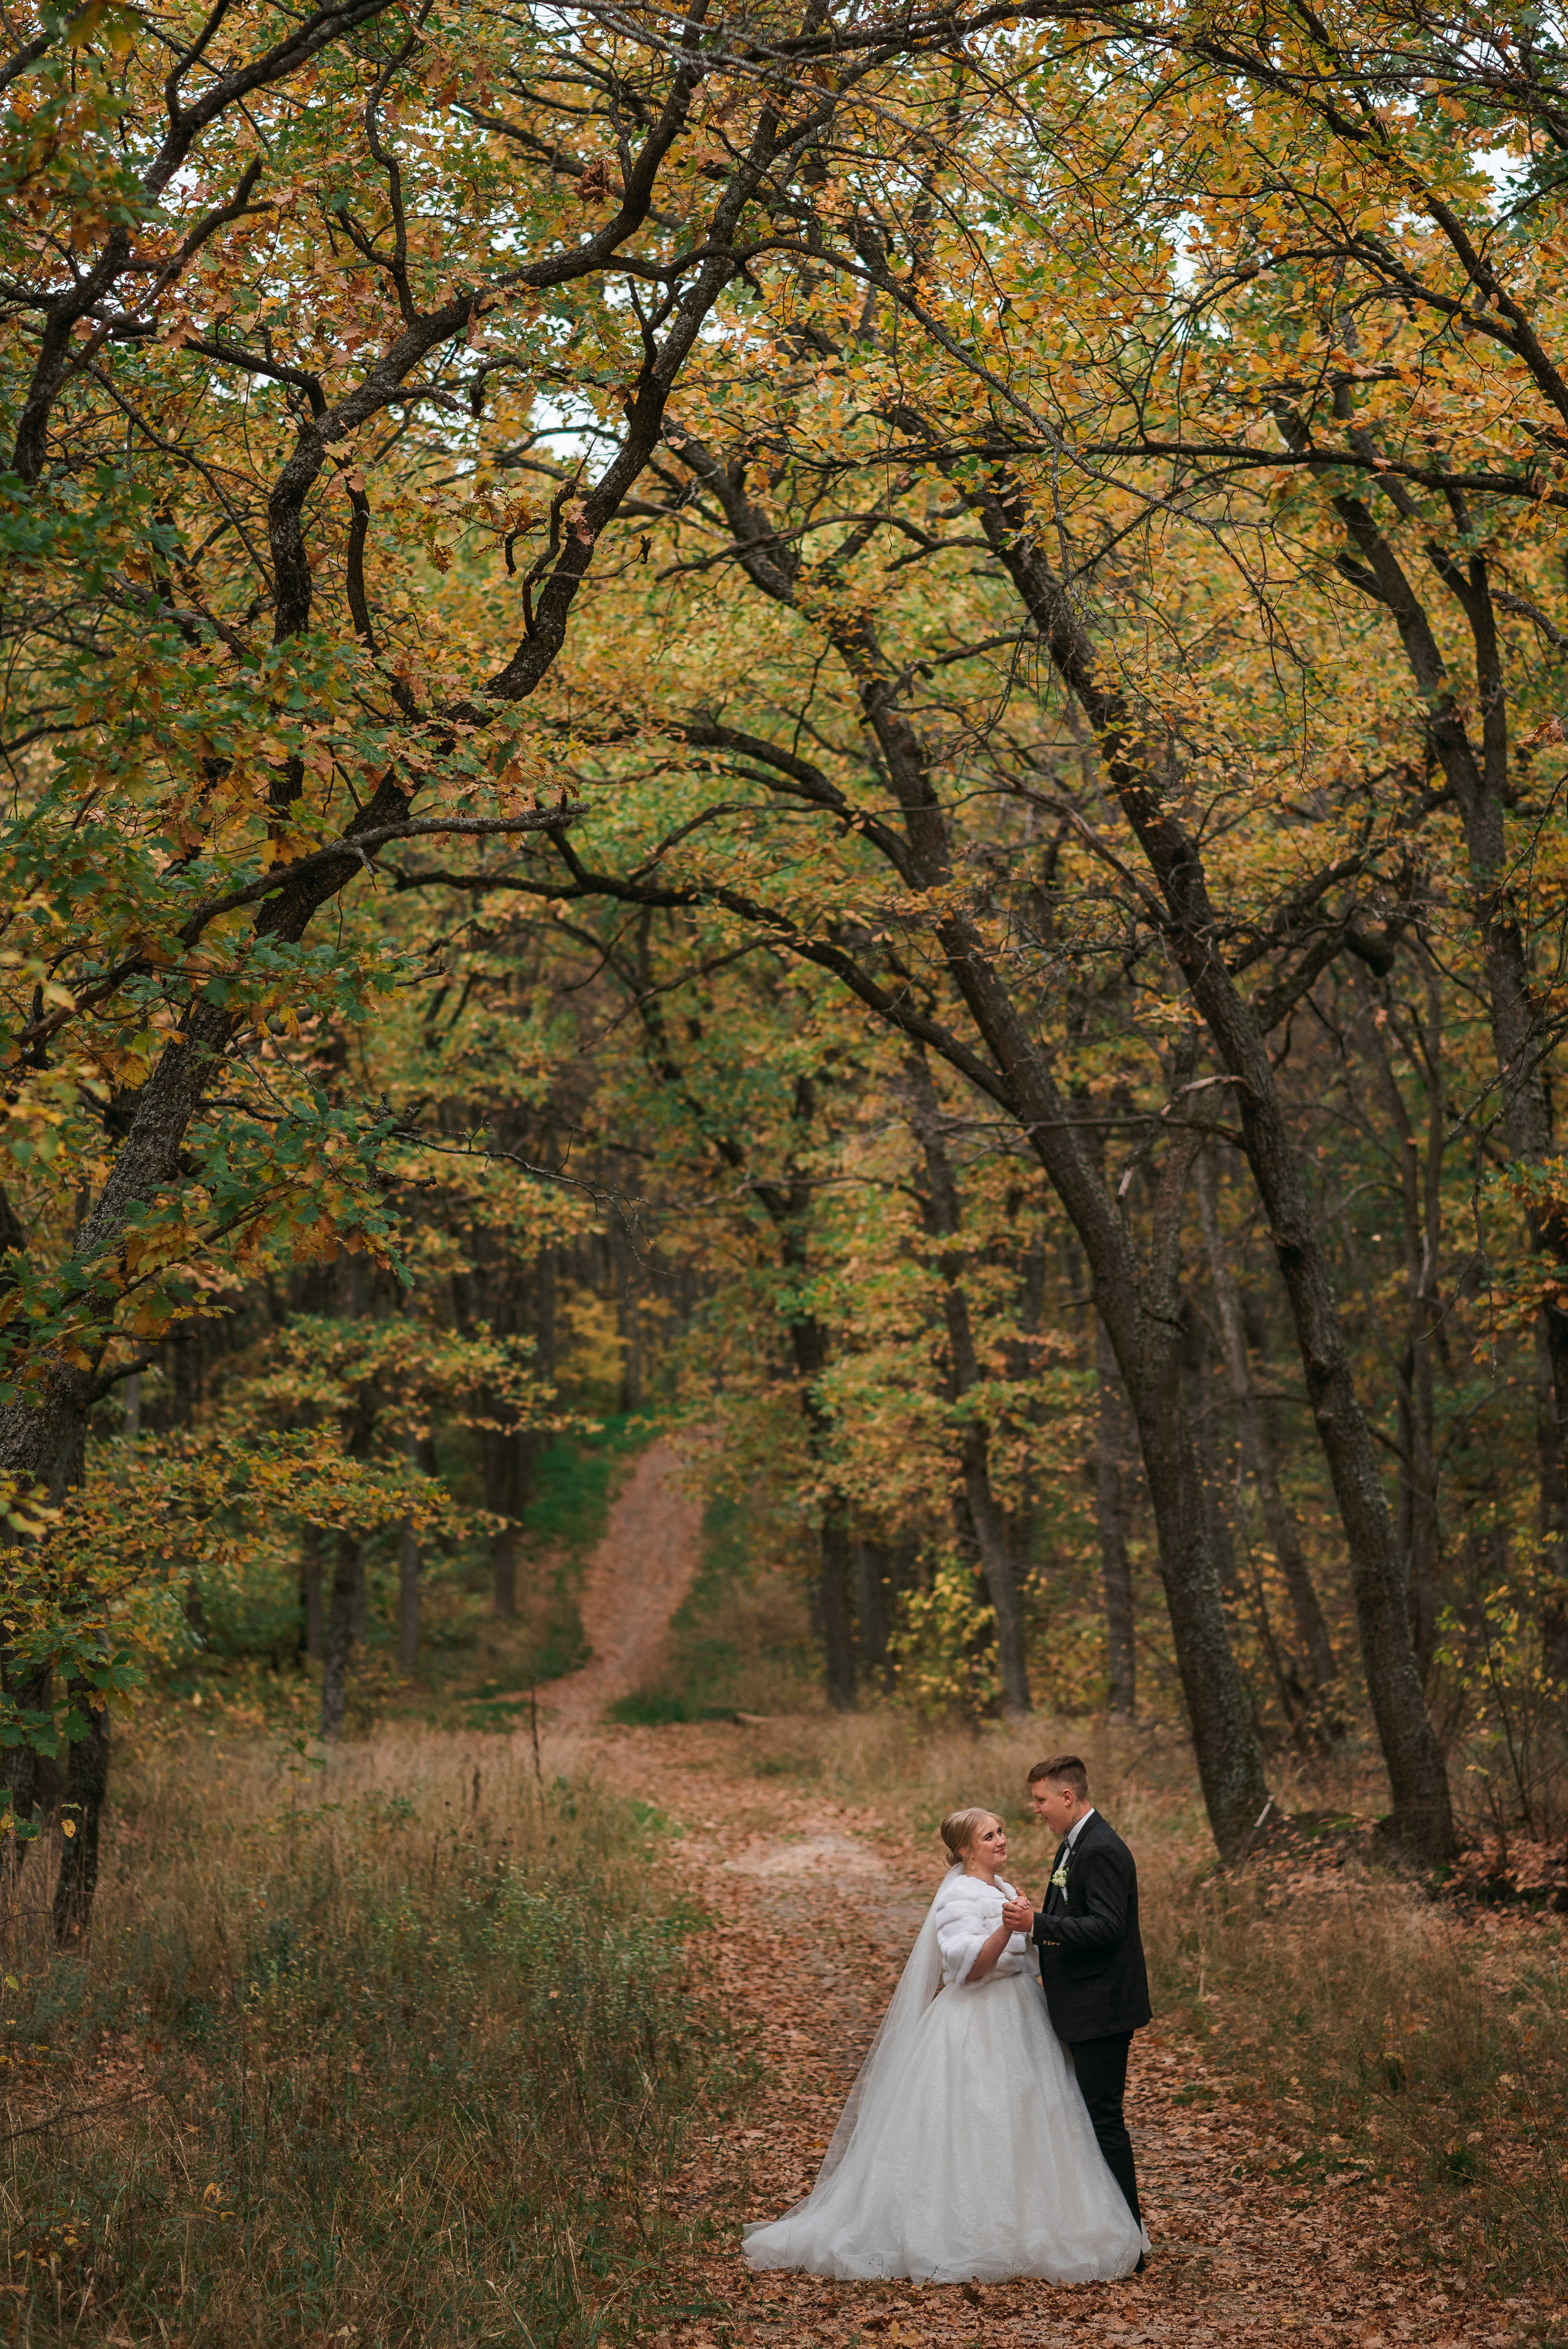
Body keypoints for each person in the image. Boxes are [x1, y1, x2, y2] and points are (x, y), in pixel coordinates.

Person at [741, 1804, 1147, 2284]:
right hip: (978, 2018)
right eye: (988, 1836)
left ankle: (1034, 2218)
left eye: (1001, 1832)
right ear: (964, 1849)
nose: (1001, 1840)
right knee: (976, 2115)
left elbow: (1030, 1956)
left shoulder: (1000, 1888)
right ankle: (969, 2231)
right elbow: (968, 1967)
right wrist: (1008, 1927)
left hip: (1020, 2014)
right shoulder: (958, 1895)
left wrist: (1029, 1931)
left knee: (1029, 2115)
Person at [1001, 1755, 1151, 2253]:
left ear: (1068, 1797)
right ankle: (1104, 2229)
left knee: (1103, 2121)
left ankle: (1128, 2239)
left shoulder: (1100, 1848)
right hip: (1084, 2002)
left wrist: (1037, 1925)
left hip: (1102, 2008)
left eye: (1041, 1800)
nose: (1035, 1809)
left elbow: (1109, 1927)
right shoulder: (1077, 1843)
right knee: (1087, 2118)